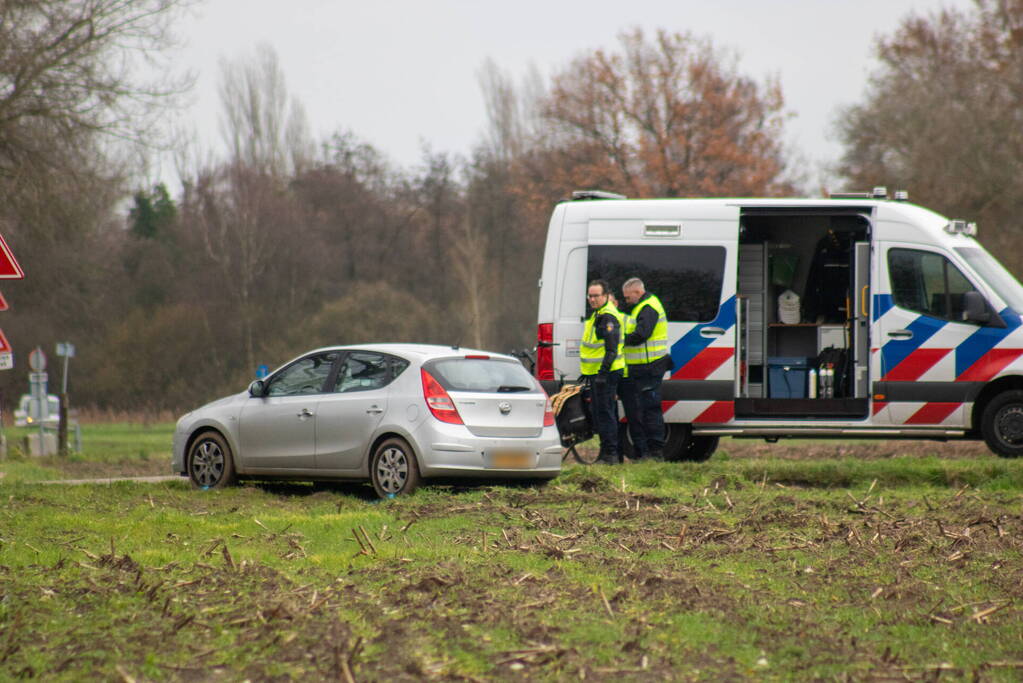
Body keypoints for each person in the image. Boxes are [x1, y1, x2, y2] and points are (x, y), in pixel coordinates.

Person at [619, 277, 672, 460]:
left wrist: (620, 339)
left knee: (650, 409)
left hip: (650, 366)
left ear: (637, 292)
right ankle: (651, 452)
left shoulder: (648, 307)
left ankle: (656, 452)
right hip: (645, 367)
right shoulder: (645, 306)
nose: (627, 301)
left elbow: (641, 334)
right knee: (646, 409)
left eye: (628, 297)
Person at [580, 279, 625, 465]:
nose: (592, 299)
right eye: (590, 296)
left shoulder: (608, 317)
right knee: (606, 413)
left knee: (604, 414)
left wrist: (602, 373)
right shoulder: (598, 315)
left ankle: (610, 455)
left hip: (606, 374)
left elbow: (612, 349)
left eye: (596, 296)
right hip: (597, 373)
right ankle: (611, 454)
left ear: (606, 296)